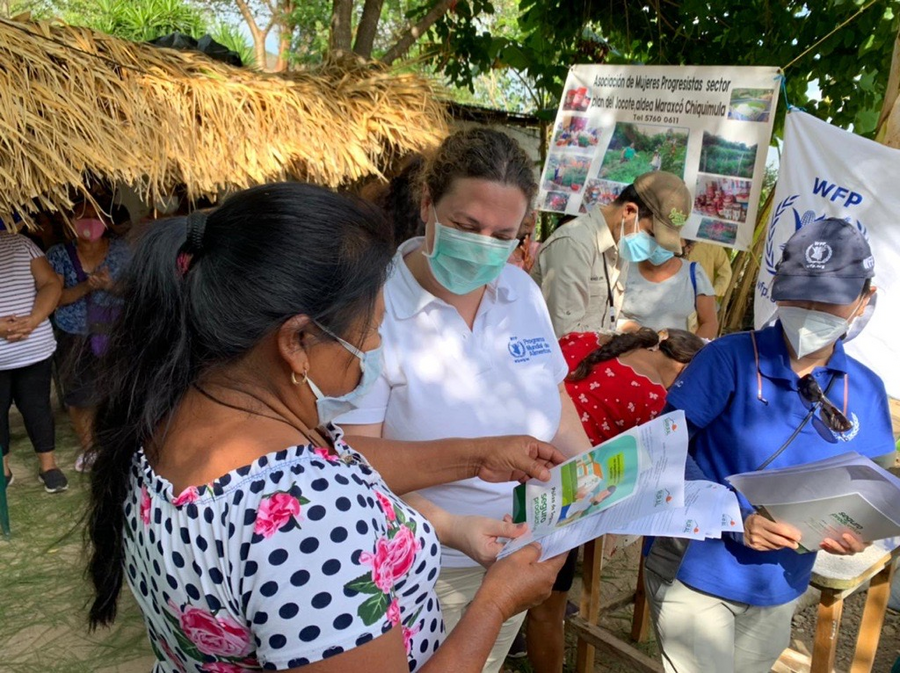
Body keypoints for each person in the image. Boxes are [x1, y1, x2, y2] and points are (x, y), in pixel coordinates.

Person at [85, 183, 569, 673]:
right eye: (373, 329)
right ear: (296, 341)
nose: (376, 348)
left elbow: (349, 465)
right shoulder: (311, 517)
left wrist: (467, 483)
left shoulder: (163, 413)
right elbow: (324, 516)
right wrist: (495, 603)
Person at [336, 128, 594, 673]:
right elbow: (350, 465)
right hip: (420, 562)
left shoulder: (520, 291)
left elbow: (553, 398)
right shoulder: (372, 304)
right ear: (427, 203)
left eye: (503, 235)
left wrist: (597, 473)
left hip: (522, 549)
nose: (483, 246)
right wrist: (450, 526)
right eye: (465, 226)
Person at [644, 218, 897, 673]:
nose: (811, 310)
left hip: (779, 586)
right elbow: (663, 449)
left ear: (864, 299)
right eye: (798, 295)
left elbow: (871, 492)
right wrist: (736, 516)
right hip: (695, 571)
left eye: (830, 301)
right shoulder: (727, 359)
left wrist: (852, 533)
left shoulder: (866, 391)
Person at [532, 171, 692, 337]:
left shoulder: (620, 244)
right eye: (652, 235)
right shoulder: (574, 245)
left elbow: (604, 316)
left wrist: (637, 332)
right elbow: (565, 336)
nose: (653, 247)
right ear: (629, 211)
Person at [47, 199, 130, 471]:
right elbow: (56, 298)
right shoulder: (58, 254)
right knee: (80, 394)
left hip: (115, 331)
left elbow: (135, 291)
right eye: (82, 215)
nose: (89, 221)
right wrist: (86, 286)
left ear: (106, 221)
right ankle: (90, 448)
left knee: (118, 388)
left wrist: (109, 284)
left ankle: (119, 442)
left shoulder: (122, 251)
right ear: (70, 221)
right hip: (74, 334)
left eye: (95, 215)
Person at [0, 228, 65, 492]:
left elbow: (50, 283)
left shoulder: (21, 242)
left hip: (33, 350)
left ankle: (49, 466)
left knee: (38, 408)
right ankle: (2, 470)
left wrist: (35, 319)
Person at [561, 327, 705, 445]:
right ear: (686, 368)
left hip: (541, 439)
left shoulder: (586, 338)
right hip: (562, 461)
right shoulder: (655, 403)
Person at [618, 242, 719, 339]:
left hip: (676, 354)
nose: (660, 244)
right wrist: (635, 329)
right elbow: (609, 313)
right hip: (624, 350)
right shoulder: (623, 267)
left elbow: (709, 322)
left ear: (685, 245)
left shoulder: (694, 273)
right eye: (653, 235)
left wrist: (691, 352)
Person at [685, 239, 733, 307]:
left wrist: (714, 293)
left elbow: (726, 272)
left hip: (701, 301)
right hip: (673, 298)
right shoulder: (673, 240)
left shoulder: (711, 246)